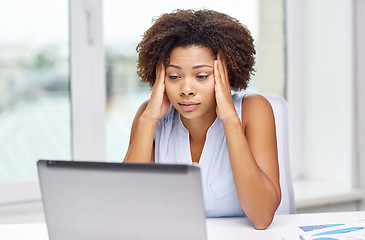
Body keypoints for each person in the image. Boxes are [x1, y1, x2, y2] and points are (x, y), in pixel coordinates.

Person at [123, 9, 281, 229]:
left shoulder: (254, 110)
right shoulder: (149, 117)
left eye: (202, 76)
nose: (186, 89)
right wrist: (149, 120)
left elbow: (262, 218)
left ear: (226, 74)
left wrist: (230, 121)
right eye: (174, 76)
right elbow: (126, 209)